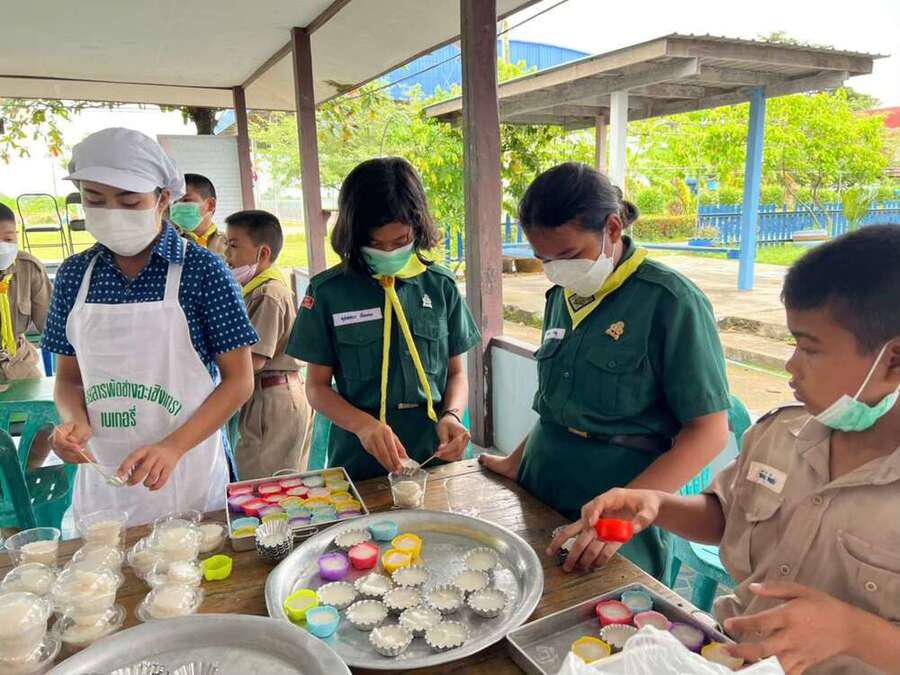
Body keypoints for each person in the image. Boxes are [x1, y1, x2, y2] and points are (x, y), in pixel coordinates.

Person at [551, 225, 900, 675]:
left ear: (892, 359)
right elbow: (724, 517)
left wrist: (854, 631)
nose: (791, 365)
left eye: (810, 349)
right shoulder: (781, 435)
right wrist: (655, 504)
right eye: (793, 343)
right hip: (730, 656)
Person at [480, 163, 730, 579]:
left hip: (618, 491)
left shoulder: (670, 301)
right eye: (544, 259)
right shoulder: (563, 296)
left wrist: (625, 512)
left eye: (568, 256)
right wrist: (515, 461)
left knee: (605, 608)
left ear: (612, 228)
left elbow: (709, 431)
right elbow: (560, 406)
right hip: (541, 480)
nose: (557, 269)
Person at [41, 127, 257, 527]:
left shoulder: (204, 271)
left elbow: (239, 382)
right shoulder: (74, 276)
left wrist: (173, 447)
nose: (112, 212)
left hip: (187, 472)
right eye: (95, 199)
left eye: (129, 201)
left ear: (163, 199)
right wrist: (73, 422)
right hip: (103, 475)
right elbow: (68, 380)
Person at [287, 157, 481, 482]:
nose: (389, 251)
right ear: (353, 235)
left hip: (434, 452)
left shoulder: (440, 286)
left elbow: (457, 373)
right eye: (375, 244)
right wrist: (364, 426)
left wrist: (452, 415)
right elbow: (317, 388)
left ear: (417, 228)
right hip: (359, 455)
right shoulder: (329, 292)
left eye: (400, 241)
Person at [225, 209, 312, 479]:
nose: (227, 255)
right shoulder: (255, 290)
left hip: (274, 399)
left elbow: (254, 360)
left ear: (263, 253)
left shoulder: (268, 293)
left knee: (266, 484)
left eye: (233, 246)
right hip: (267, 395)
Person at [0, 203, 52, 383]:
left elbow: (51, 325)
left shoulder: (28, 268)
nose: (2, 247)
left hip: (19, 362)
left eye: (8, 239)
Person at [169, 173, 227, 257]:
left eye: (186, 200)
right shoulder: (167, 243)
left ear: (210, 205)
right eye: (174, 202)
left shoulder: (231, 244)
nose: (177, 206)